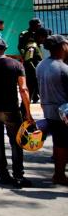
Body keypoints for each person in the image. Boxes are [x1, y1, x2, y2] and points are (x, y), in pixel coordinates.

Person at [0, 37, 33, 188]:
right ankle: (19, 177)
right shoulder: (17, 65)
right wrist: (28, 112)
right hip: (12, 111)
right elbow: (23, 89)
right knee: (16, 143)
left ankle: (3, 175)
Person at [37, 34, 68, 186]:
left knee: (58, 143)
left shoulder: (41, 65)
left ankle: (59, 173)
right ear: (62, 47)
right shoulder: (63, 68)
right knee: (62, 144)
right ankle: (60, 175)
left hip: (49, 110)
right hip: (63, 112)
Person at [22, 27, 44, 104]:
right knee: (29, 94)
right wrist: (35, 71)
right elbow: (28, 60)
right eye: (43, 37)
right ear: (39, 36)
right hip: (32, 75)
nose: (44, 40)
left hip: (35, 74)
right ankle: (23, 112)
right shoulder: (32, 46)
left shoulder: (37, 45)